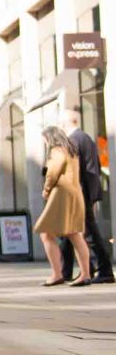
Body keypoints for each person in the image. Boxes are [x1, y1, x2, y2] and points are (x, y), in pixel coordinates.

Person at [60, 111, 114, 284]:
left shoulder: (74, 140)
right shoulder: (86, 138)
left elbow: (74, 170)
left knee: (88, 233)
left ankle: (103, 269)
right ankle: (81, 270)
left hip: (80, 192)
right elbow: (96, 164)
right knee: (76, 232)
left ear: (65, 124)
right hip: (87, 190)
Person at [35, 126, 91, 287]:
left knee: (45, 233)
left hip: (61, 196)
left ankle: (56, 274)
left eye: (45, 139)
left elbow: (52, 172)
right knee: (74, 234)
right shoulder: (71, 151)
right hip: (74, 194)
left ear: (50, 138)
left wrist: (46, 189)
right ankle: (85, 274)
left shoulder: (57, 151)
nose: (45, 143)